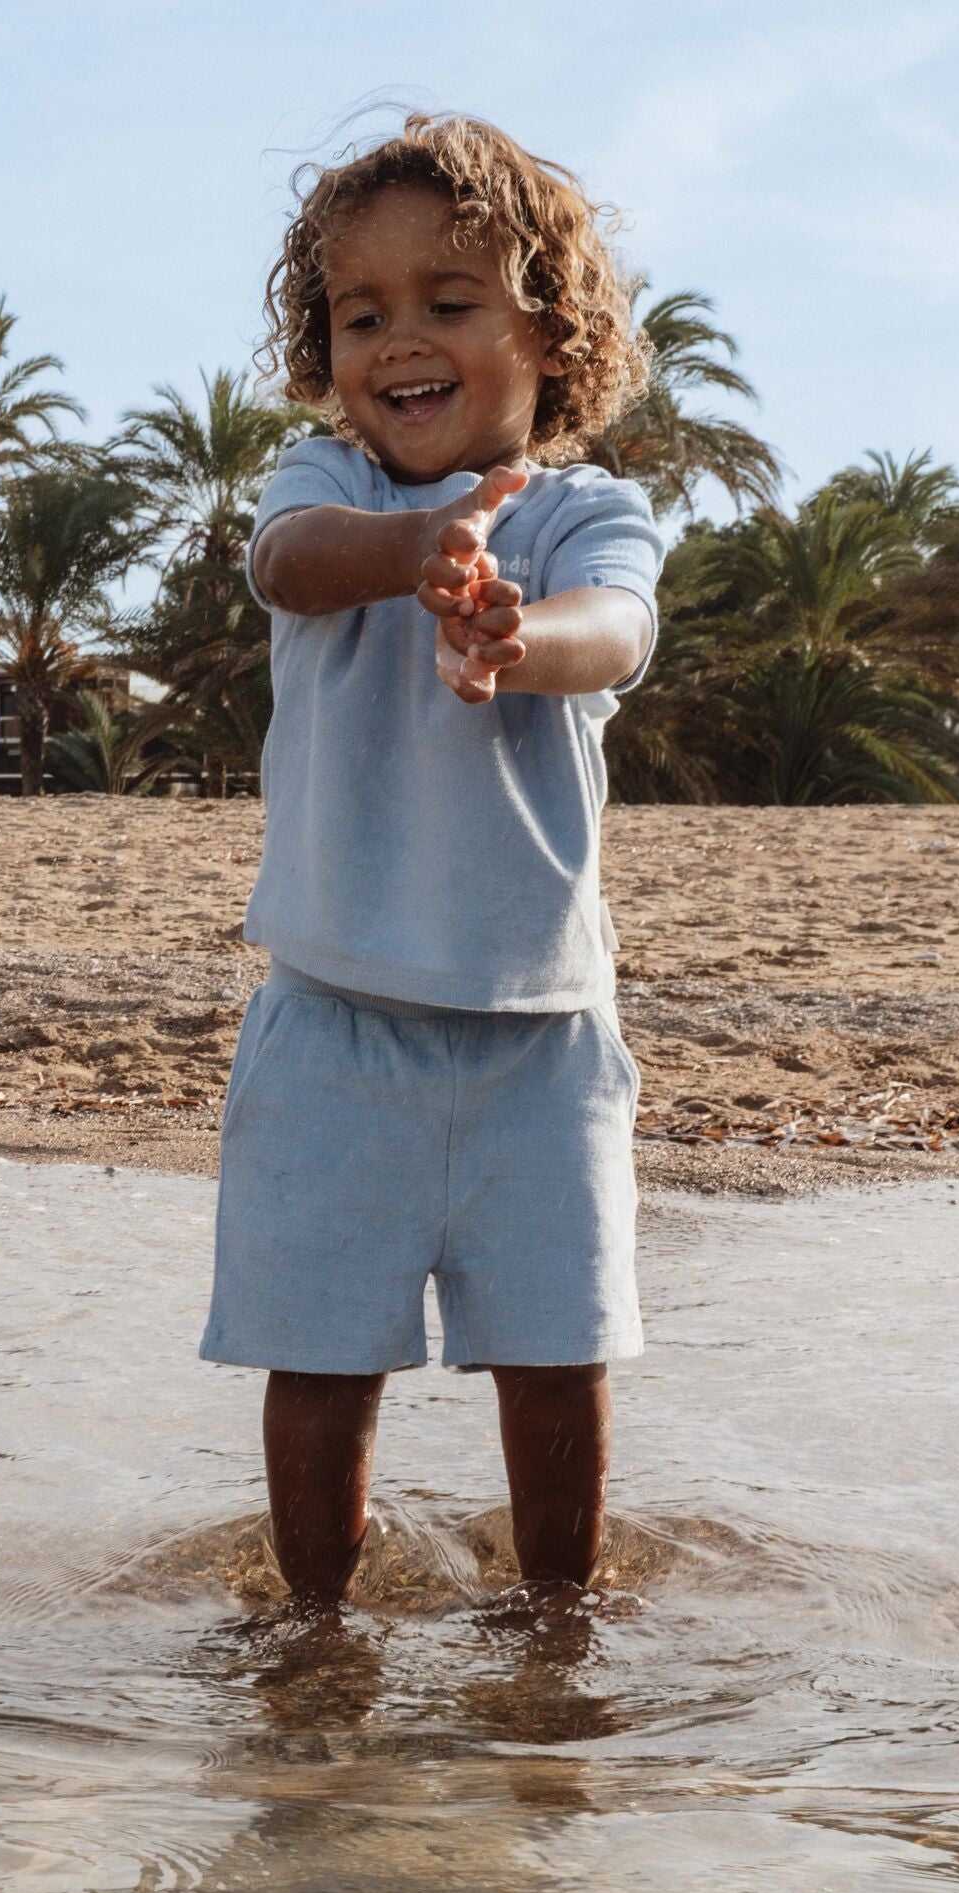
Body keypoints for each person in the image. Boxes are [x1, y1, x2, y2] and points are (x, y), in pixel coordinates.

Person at [201, 112, 665, 1603]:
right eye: (361, 312)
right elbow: (287, 568)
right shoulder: (315, 490)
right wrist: (414, 558)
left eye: (450, 303)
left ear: (552, 331)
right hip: (332, 1023)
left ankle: (556, 1635)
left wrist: (508, 635)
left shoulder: (589, 512)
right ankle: (316, 1636)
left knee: (555, 1359)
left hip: (541, 1037)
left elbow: (619, 631)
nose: (400, 340)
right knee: (322, 1359)